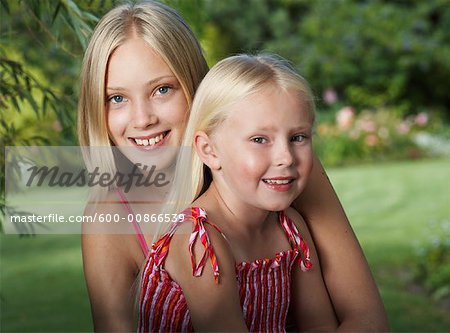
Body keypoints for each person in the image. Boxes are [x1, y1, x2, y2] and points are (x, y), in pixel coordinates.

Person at [78, 1, 388, 332]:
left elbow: (365, 318)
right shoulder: (111, 220)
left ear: (197, 89)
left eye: (162, 89)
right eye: (117, 98)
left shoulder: (279, 166)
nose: (142, 119)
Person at [138, 53, 339, 332]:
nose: (286, 157)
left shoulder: (291, 228)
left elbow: (319, 327)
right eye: (259, 140)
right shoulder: (199, 242)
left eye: (298, 137)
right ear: (209, 150)